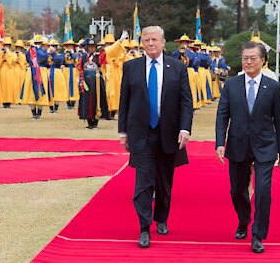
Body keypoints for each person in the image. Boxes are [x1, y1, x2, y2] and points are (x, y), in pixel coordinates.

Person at [118, 26, 193, 248]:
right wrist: (123, 132)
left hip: (168, 133)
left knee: (164, 181)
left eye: (154, 40)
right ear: (142, 43)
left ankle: (161, 218)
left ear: (163, 42)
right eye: (146, 40)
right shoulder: (131, 67)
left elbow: (185, 102)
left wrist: (185, 129)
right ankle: (144, 227)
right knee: (143, 181)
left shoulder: (177, 68)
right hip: (141, 134)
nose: (150, 44)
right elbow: (125, 102)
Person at [215, 41, 280, 253]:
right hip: (237, 144)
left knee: (263, 190)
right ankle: (243, 220)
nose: (248, 62)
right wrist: (220, 142)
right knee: (237, 190)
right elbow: (222, 116)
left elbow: (279, 120)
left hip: (265, 145)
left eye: (253, 58)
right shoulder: (231, 85)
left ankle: (258, 235)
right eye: (245, 58)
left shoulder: (272, 87)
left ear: (263, 60)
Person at [77, 38, 109, 129]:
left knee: (97, 101)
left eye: (93, 47)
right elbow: (79, 68)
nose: (92, 49)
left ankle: (95, 121)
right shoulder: (83, 57)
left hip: (96, 82)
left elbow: (108, 54)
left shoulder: (99, 56)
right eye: (90, 47)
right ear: (87, 48)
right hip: (86, 82)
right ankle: (88, 121)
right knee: (86, 101)